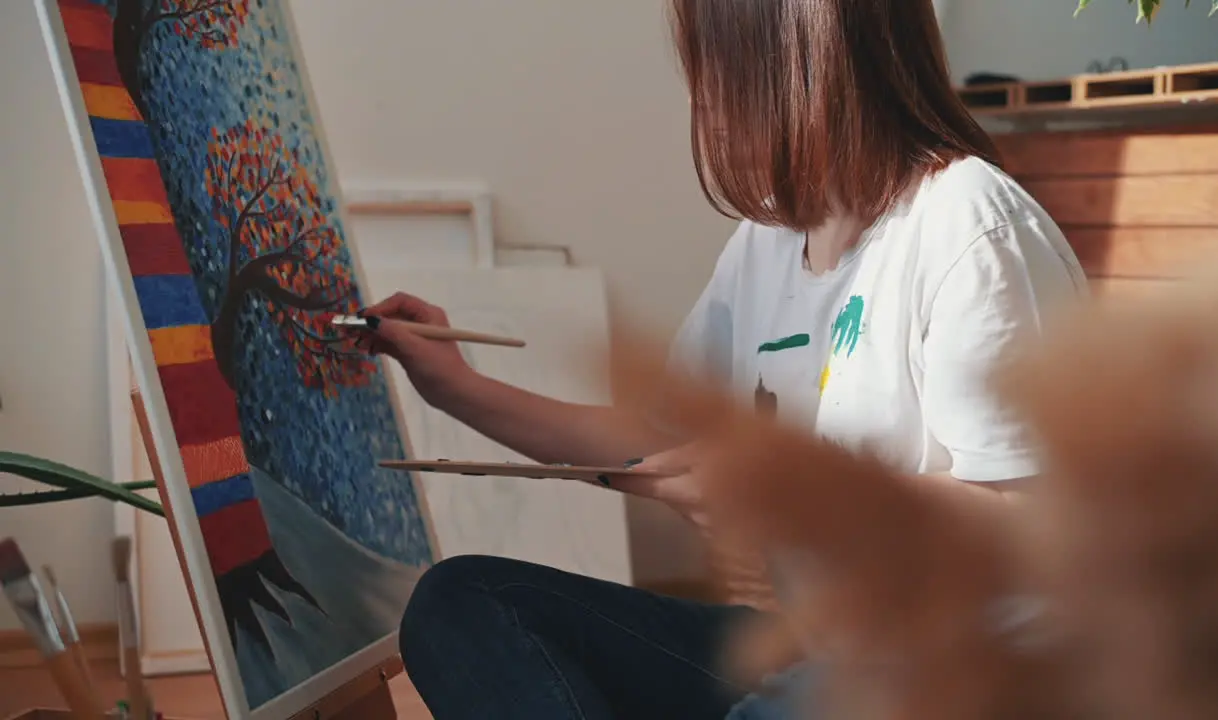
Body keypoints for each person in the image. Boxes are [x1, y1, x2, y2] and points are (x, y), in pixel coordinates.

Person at [361, 0, 1087, 717]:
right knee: (463, 608)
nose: (698, 94)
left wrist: (787, 487)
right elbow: (657, 438)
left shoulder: (970, 226)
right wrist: (454, 387)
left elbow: (1034, 524)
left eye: (706, 62)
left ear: (777, 60)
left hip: (963, 682)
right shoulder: (767, 239)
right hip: (821, 655)